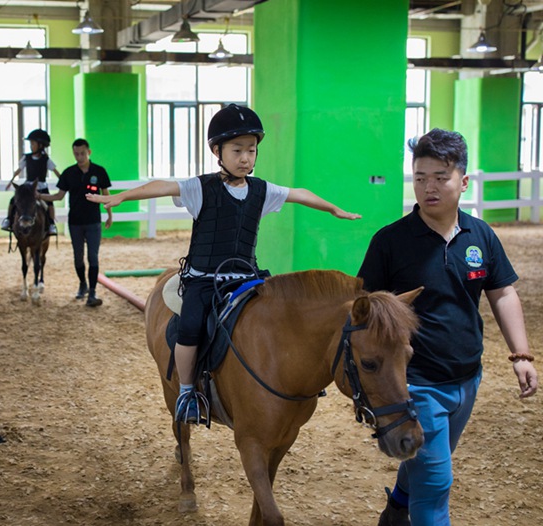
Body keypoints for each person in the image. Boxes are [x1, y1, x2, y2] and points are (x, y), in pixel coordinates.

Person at [87, 104, 360, 422]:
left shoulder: (262, 190)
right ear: (217, 150)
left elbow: (298, 193)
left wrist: (332, 209)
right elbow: (163, 185)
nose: (246, 158)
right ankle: (188, 392)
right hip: (204, 279)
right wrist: (121, 197)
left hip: (246, 278)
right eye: (237, 150)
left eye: (251, 150)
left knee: (280, 317)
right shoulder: (200, 188)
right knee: (189, 329)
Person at [357, 128, 539, 526]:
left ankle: (397, 507)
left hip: (467, 379)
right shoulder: (390, 242)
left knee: (426, 461)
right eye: (420, 178)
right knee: (437, 484)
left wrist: (521, 355)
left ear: (463, 181)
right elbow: (364, 312)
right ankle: (411, 507)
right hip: (417, 385)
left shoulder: (481, 235)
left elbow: (502, 293)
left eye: (440, 177)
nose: (429, 187)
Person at [39, 138, 112, 307]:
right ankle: (82, 284)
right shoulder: (68, 173)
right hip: (75, 222)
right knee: (78, 258)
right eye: (76, 154)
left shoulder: (99, 171)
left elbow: (106, 194)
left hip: (93, 221)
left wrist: (110, 214)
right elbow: (58, 196)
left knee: (92, 257)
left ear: (89, 152)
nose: (79, 157)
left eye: (82, 153)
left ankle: (92, 292)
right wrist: (40, 196)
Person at [4, 129, 61, 236]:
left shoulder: (46, 159)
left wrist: (63, 181)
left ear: (40, 145)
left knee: (50, 204)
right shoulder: (26, 158)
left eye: (33, 143)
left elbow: (55, 171)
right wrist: (11, 181)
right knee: (14, 200)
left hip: (42, 187)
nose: (31, 146)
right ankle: (9, 220)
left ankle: (51, 224)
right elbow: (18, 170)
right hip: (28, 187)